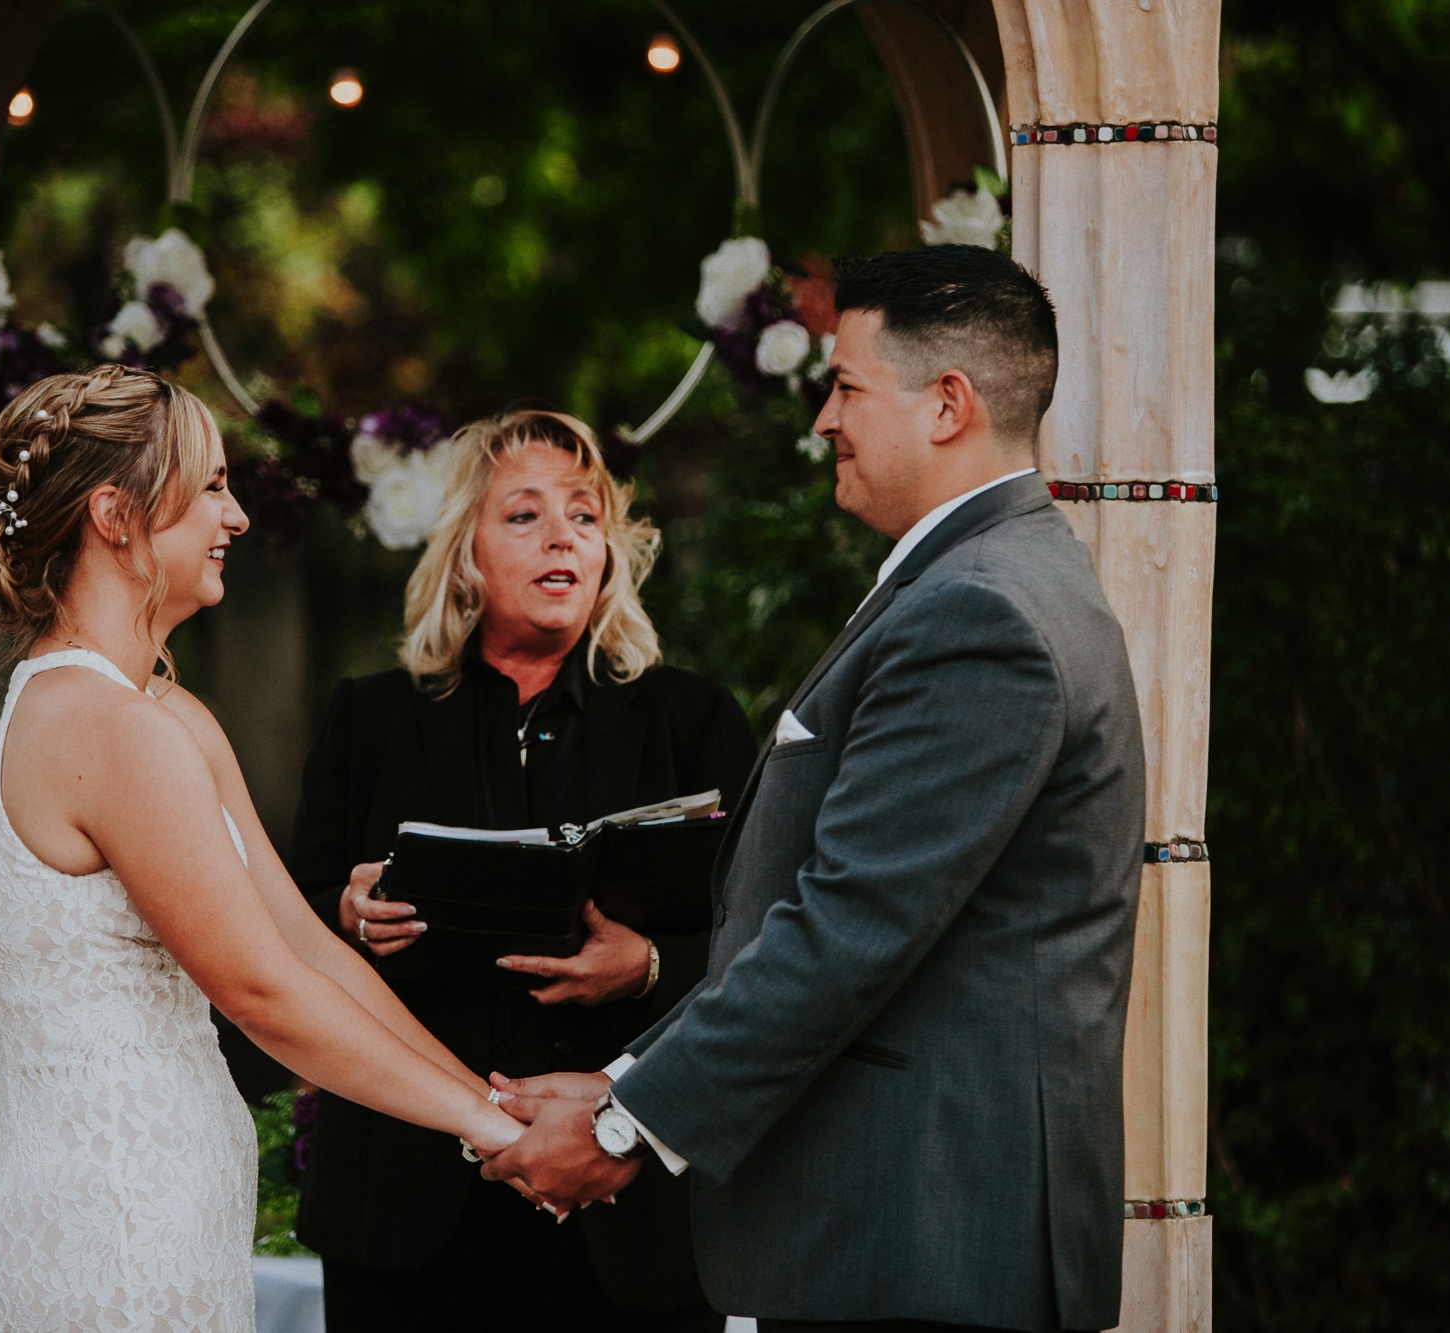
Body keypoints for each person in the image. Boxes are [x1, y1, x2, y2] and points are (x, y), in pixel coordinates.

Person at [484, 245, 1148, 1333]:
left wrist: (622, 1125)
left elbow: (848, 926)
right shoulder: (989, 580)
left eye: (843, 386)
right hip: (905, 1229)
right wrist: (622, 1082)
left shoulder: (978, 616)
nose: (821, 420)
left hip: (924, 1231)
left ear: (946, 405)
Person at [0, 366, 526, 1333]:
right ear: (116, 515)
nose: (239, 516)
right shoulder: (106, 730)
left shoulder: (159, 713)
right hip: (115, 1237)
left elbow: (306, 946)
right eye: (210, 485)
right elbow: (262, 995)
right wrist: (495, 1134)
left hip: (169, 1219)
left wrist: (483, 1093)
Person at [286, 409, 756, 1332]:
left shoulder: (692, 720)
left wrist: (652, 963)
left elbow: (768, 944)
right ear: (465, 552)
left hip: (625, 1208)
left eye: (585, 517)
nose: (562, 538)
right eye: (524, 515)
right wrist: (345, 912)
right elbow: (282, 925)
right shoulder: (371, 719)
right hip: (409, 1205)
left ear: (611, 553)